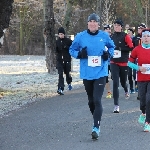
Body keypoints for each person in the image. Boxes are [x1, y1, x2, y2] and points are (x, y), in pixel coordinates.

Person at [69, 13, 115, 139]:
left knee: (97, 99)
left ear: (98, 24)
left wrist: (108, 55)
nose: (93, 23)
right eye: (91, 21)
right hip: (87, 72)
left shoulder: (104, 35)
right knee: (90, 101)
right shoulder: (80, 36)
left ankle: (96, 127)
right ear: (88, 23)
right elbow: (71, 50)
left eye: (95, 21)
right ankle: (96, 119)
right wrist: (79, 54)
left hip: (101, 72)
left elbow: (112, 47)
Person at [128, 28, 150, 132]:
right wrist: (138, 68)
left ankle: (147, 123)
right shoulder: (137, 49)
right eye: (144, 36)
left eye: (148, 36)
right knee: (143, 101)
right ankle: (143, 112)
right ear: (141, 38)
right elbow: (129, 62)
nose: (146, 38)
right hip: (141, 79)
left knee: (149, 99)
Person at [110, 19, 133, 113]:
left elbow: (131, 47)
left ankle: (126, 89)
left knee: (123, 81)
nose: (116, 26)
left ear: (121, 27)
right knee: (115, 82)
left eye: (118, 25)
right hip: (113, 62)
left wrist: (120, 48)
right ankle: (116, 105)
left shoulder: (125, 36)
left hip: (123, 62)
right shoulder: (111, 36)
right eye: (115, 25)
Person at [56, 27, 72, 95]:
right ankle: (60, 88)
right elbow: (55, 50)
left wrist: (66, 47)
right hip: (59, 60)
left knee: (67, 73)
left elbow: (72, 49)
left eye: (62, 34)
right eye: (59, 34)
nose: (61, 35)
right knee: (60, 74)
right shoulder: (57, 41)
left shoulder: (68, 41)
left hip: (67, 60)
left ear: (64, 34)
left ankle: (69, 83)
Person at [132, 23, 147, 99]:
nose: (140, 29)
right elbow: (131, 47)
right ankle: (138, 88)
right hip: (136, 59)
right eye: (139, 28)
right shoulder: (135, 38)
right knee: (135, 75)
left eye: (141, 28)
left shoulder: (147, 37)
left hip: (146, 59)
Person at [127, 28, 137, 94]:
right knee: (129, 74)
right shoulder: (125, 40)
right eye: (128, 32)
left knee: (135, 74)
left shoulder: (135, 39)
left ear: (132, 33)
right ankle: (131, 88)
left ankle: (136, 86)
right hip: (128, 59)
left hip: (135, 58)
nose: (128, 34)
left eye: (129, 32)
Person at [104, 24, 112, 98]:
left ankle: (116, 90)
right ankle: (109, 92)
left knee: (114, 77)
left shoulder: (113, 39)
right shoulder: (101, 40)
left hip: (113, 62)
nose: (108, 31)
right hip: (105, 62)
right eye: (106, 30)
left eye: (109, 30)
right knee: (105, 77)